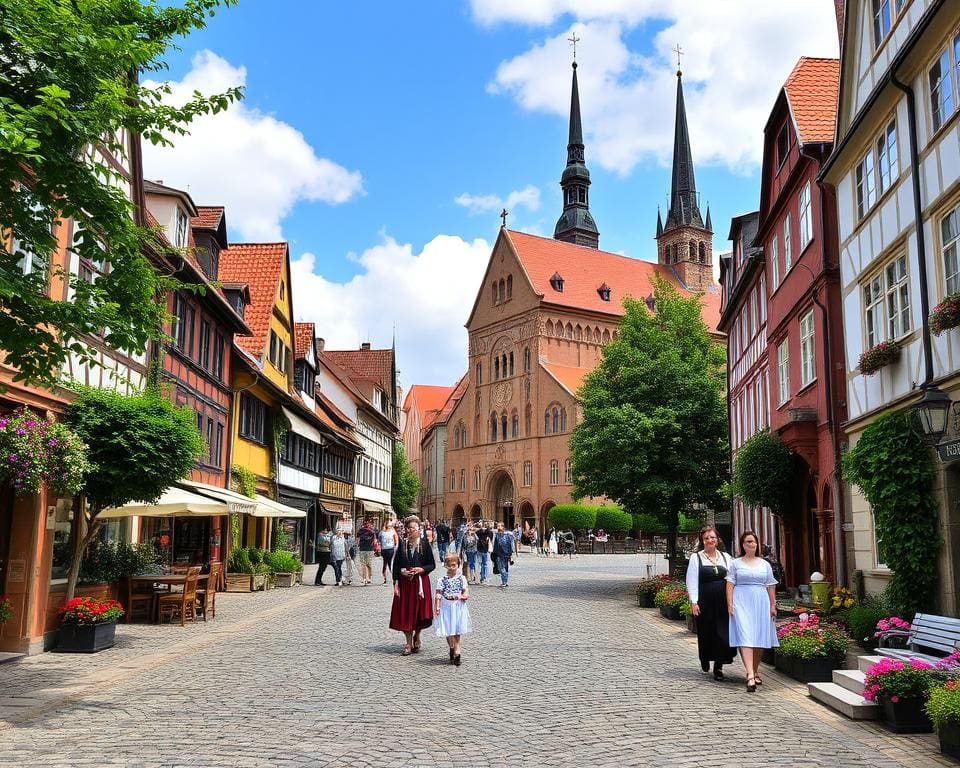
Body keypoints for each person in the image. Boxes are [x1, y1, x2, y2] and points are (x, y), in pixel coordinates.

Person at [726, 530, 779, 692]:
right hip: (741, 600)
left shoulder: (764, 564)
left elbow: (770, 585)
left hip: (760, 601)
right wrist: (730, 603)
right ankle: (749, 674)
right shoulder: (736, 563)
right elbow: (730, 584)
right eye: (748, 542)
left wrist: (772, 604)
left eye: (754, 542)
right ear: (743, 545)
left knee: (759, 637)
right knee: (745, 635)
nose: (752, 544)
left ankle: (755, 670)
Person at [685, 526, 736, 681]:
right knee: (707, 632)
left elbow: (733, 579)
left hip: (722, 601)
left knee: (723, 634)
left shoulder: (727, 557)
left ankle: (718, 666)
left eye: (712, 537)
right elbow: (691, 580)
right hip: (705, 600)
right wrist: (694, 602)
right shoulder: (696, 558)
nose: (710, 540)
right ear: (702, 540)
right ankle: (705, 657)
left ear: (717, 539)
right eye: (706, 538)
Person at [390, 516, 436, 655]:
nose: (411, 531)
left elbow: (432, 564)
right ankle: (408, 643)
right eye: (408, 528)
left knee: (420, 614)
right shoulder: (402, 545)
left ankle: (417, 634)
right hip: (406, 584)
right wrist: (399, 575)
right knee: (406, 613)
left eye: (413, 528)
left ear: (419, 529)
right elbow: (396, 565)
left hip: (420, 583)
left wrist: (422, 570)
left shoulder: (424, 544)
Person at [434, 551, 472, 666]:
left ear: (458, 565)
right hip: (446, 607)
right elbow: (438, 594)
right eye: (449, 565)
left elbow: (466, 592)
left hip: (458, 606)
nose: (452, 568)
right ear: (446, 565)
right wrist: (437, 606)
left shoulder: (462, 578)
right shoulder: (442, 580)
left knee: (457, 629)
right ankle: (451, 647)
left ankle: (457, 650)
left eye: (454, 565)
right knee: (448, 630)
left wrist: (462, 596)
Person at [493, 522, 515, 588]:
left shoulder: (508, 535)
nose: (498, 528)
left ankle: (504, 582)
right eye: (497, 526)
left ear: (503, 527)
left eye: (500, 526)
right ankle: (505, 581)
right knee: (502, 568)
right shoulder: (496, 535)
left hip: (506, 554)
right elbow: (495, 545)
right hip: (499, 554)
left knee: (504, 568)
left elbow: (511, 544)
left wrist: (511, 554)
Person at [356, 517, 377, 585]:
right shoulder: (360, 530)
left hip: (369, 549)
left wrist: (374, 547)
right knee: (363, 565)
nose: (366, 523)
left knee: (368, 564)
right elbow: (357, 539)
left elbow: (374, 540)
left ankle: (369, 578)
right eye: (365, 522)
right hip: (362, 549)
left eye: (368, 522)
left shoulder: (372, 531)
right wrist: (357, 545)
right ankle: (364, 578)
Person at [379, 519, 398, 584]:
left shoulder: (392, 531)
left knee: (390, 564)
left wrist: (396, 547)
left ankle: (393, 578)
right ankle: (385, 578)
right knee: (385, 564)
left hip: (390, 549)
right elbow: (379, 540)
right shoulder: (382, 532)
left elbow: (396, 539)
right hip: (384, 549)